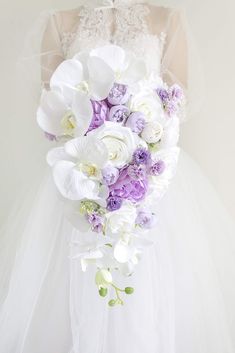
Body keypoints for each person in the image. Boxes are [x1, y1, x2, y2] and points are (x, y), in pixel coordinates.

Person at [0, 1, 234, 352]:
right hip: (81, 176)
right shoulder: (60, 21)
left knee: (147, 283)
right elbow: (51, 109)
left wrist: (138, 131)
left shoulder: (168, 19)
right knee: (74, 281)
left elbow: (176, 105)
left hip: (150, 175)